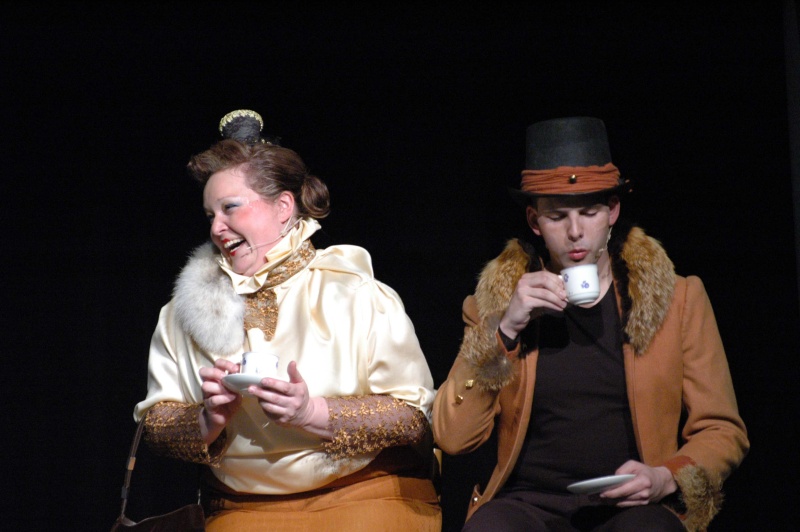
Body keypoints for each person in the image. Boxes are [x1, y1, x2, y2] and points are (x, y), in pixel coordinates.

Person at [432, 117, 748, 531]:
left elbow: (722, 428)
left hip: (632, 506)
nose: (575, 232)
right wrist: (505, 330)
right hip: (529, 504)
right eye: (557, 217)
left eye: (589, 212)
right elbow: (452, 437)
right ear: (534, 221)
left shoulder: (678, 300)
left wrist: (665, 477)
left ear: (613, 211)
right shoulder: (495, 308)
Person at [134, 109, 441, 531]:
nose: (217, 228)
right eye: (210, 215)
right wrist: (208, 420)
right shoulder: (182, 312)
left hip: (363, 493)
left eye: (231, 208)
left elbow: (412, 417)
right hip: (245, 508)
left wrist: (311, 413)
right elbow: (156, 426)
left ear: (283, 207)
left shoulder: (352, 290)